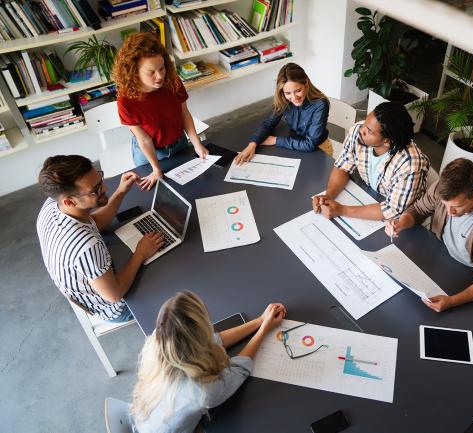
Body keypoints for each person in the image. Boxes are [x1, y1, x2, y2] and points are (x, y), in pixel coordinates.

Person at [130, 291, 286, 433]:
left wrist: (260, 320)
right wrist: (264, 330)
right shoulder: (203, 391)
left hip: (142, 420)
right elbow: (240, 368)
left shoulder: (159, 339)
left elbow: (216, 340)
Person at [36, 155, 164, 322]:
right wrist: (140, 254)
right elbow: (115, 295)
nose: (104, 187)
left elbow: (95, 223)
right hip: (114, 308)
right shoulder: (86, 246)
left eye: (99, 178)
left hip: (94, 280)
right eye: (95, 190)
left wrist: (120, 192)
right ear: (70, 202)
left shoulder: (53, 204)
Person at [386, 158, 473, 312]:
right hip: (437, 254)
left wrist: (452, 301)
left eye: (456, 207)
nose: (449, 212)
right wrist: (401, 223)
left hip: (470, 276)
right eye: (445, 205)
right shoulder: (442, 190)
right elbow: (419, 210)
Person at [113, 32, 209, 191]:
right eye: (151, 72)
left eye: (162, 68)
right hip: (150, 154)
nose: (159, 76)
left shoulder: (172, 81)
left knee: (191, 189)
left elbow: (184, 113)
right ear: (134, 71)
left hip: (179, 142)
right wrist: (156, 170)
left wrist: (197, 143)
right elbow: (143, 139)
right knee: (159, 193)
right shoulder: (125, 100)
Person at [312, 101, 429, 222]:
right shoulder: (359, 132)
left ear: (387, 141)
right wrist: (328, 196)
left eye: (369, 131)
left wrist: (341, 210)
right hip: (371, 197)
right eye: (365, 123)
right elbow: (343, 166)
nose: (361, 130)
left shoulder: (410, 166)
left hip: (401, 221)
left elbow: (392, 210)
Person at [234, 62, 330, 164]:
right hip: (294, 144)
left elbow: (310, 144)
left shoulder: (320, 104)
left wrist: (275, 140)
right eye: (288, 93)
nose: (294, 97)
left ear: (306, 83)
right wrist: (252, 145)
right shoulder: (284, 99)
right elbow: (268, 123)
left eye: (298, 90)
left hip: (319, 149)